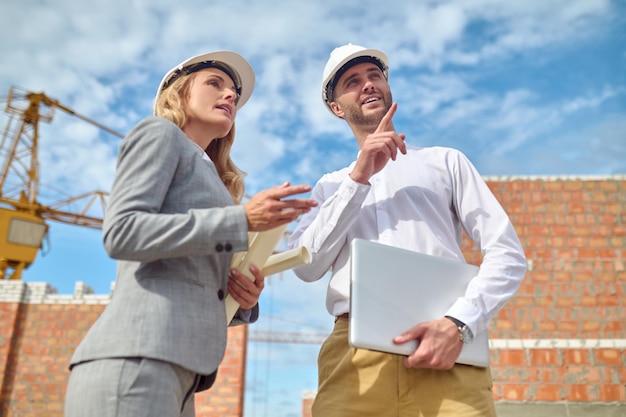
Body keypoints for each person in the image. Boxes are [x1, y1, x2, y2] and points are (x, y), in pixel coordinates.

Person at [64, 50, 317, 417]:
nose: (230, 95)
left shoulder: (214, 179)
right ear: (178, 93)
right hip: (138, 358)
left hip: (182, 374)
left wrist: (242, 299)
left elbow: (195, 284)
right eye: (215, 84)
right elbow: (122, 231)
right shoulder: (160, 133)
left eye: (233, 91)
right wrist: (240, 221)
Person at [287, 43, 527, 417]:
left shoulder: (445, 162)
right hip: (353, 362)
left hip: (447, 351)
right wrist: (359, 178)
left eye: (375, 76)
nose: (368, 84)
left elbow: (508, 255)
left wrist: (459, 325)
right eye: (353, 81)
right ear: (337, 108)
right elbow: (306, 266)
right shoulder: (330, 187)